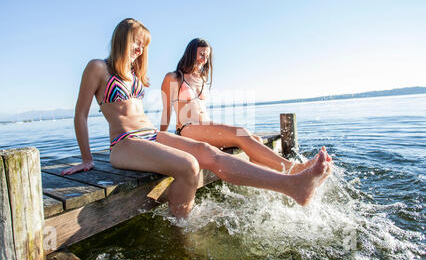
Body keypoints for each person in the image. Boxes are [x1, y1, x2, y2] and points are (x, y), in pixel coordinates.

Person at [62, 18, 333, 219]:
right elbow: (81, 115)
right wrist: (87, 158)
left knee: (208, 152)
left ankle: (292, 185)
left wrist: (162, 135)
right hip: (125, 142)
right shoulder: (97, 68)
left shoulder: (133, 74)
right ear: (121, 37)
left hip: (151, 135)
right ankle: (181, 227)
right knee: (189, 164)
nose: (140, 50)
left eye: (143, 46)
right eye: (136, 42)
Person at [160, 38, 322, 174]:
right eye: (202, 54)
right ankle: (293, 169)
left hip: (205, 127)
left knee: (256, 139)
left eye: (207, 56)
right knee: (241, 133)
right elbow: (166, 112)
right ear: (191, 52)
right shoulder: (174, 77)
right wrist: (160, 139)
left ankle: (269, 184)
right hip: (188, 129)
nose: (204, 59)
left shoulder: (201, 79)